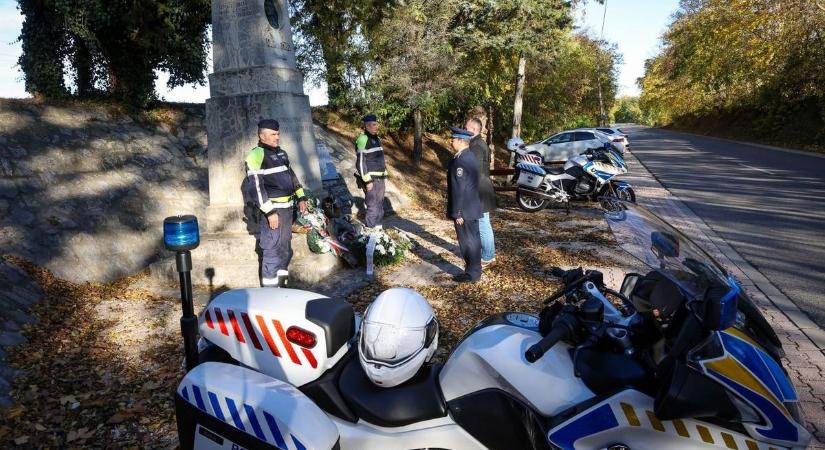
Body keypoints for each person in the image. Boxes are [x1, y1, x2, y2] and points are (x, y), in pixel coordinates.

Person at [245, 119, 307, 287]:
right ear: (262, 136)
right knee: (272, 252)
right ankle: (270, 293)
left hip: (288, 210)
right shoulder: (256, 155)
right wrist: (269, 212)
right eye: (273, 134)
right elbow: (256, 187)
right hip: (273, 211)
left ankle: (282, 286)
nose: (277, 137)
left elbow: (292, 176)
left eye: (278, 133)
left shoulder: (281, 153)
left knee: (285, 250)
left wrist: (301, 197)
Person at [446, 127, 482, 283]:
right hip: (471, 207)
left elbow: (460, 188)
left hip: (465, 209)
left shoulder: (461, 160)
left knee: (468, 241)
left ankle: (472, 273)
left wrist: (458, 212)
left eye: (453, 139)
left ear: (461, 141)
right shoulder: (468, 156)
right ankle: (473, 271)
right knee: (472, 239)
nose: (451, 141)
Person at [465, 118, 497, 267]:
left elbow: (475, 171)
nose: (464, 129)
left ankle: (488, 256)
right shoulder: (478, 143)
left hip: (480, 190)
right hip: (482, 188)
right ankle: (489, 254)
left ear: (474, 129)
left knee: (483, 224)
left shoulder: (477, 145)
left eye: (467, 127)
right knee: (484, 223)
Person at [355, 114, 389, 229]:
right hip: (371, 180)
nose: (376, 127)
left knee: (380, 206)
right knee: (373, 207)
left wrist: (385, 176)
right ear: (367, 126)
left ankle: (378, 233)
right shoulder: (363, 139)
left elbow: (380, 159)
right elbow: (360, 162)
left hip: (380, 179)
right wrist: (367, 180)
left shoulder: (376, 139)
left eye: (376, 124)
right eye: (374, 125)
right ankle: (370, 234)